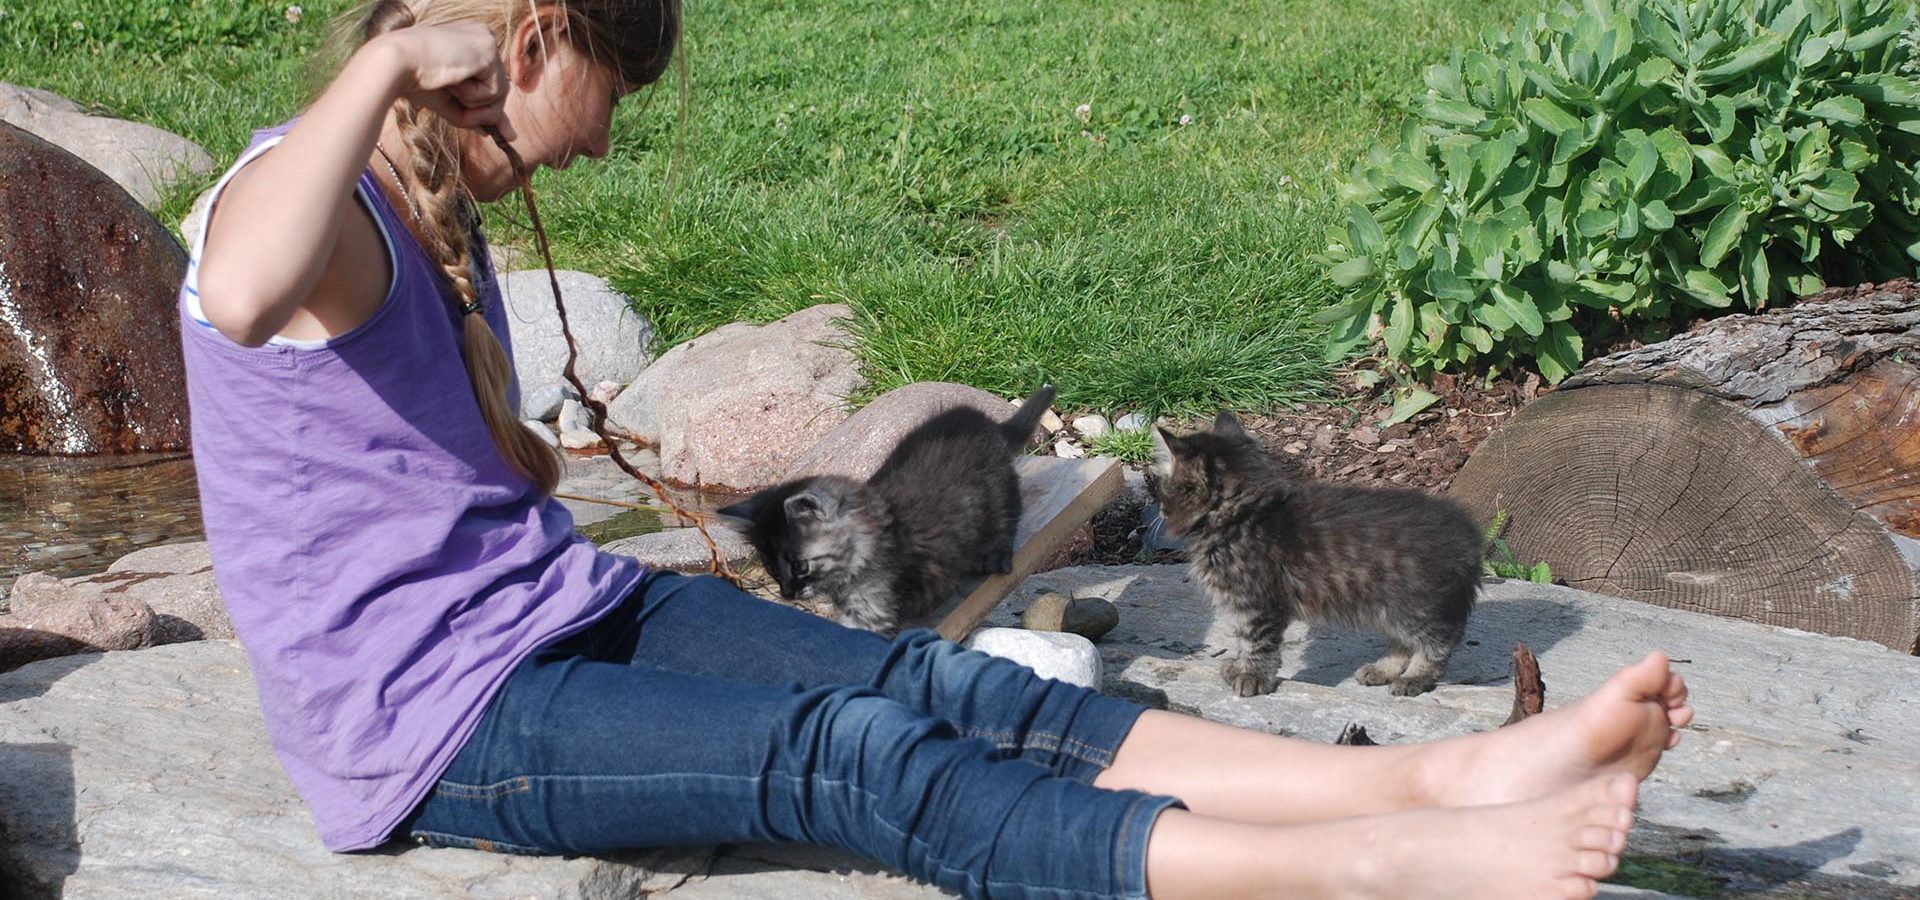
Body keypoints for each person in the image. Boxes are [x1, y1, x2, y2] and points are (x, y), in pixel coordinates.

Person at [180, 2, 1695, 897]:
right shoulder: (305, 198)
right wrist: (381, 63)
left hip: (554, 622)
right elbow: (240, 290)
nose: (597, 145)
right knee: (852, 757)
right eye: (600, 98)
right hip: (429, 724)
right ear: (524, 34)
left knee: (932, 680)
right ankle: (1377, 874)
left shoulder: (433, 208)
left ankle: (1438, 788)